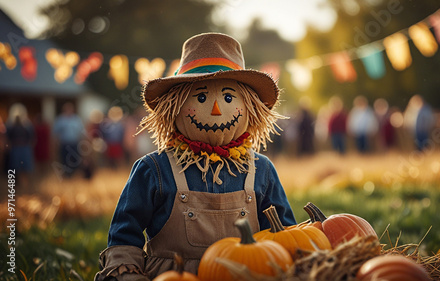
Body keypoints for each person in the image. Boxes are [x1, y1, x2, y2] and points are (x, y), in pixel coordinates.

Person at [95, 33, 296, 280]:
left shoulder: (261, 169)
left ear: (249, 107)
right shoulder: (154, 169)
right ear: (174, 106)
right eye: (200, 97)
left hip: (246, 273)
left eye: (229, 97)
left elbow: (284, 234)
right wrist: (127, 272)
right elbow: (125, 234)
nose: (216, 109)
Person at [5, 103, 35, 189]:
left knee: (25, 167)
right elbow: (8, 137)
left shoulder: (27, 125)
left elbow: (31, 137)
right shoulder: (10, 125)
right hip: (15, 148)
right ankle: (15, 185)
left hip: (24, 148)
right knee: (14, 167)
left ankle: (25, 184)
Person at [52, 102, 84, 178]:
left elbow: (81, 132)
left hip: (74, 143)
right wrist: (56, 144)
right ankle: (66, 175)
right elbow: (55, 133)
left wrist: (82, 143)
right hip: (64, 144)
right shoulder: (60, 120)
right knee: (64, 160)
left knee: (74, 160)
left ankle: (74, 175)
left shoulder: (76, 119)